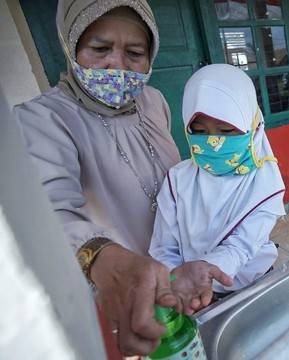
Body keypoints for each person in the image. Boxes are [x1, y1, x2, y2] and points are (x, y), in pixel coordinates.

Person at [13, 1, 211, 356]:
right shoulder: (44, 120)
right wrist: (102, 260)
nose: (117, 65)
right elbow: (50, 213)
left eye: (135, 52)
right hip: (123, 294)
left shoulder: (154, 101)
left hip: (181, 279)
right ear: (71, 46)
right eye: (100, 49)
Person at [149, 64, 285, 299]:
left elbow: (242, 245)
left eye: (226, 130)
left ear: (253, 127)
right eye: (200, 131)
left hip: (253, 283)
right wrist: (177, 279)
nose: (215, 141)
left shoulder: (265, 183)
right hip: (193, 291)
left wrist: (206, 268)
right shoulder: (178, 179)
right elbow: (164, 246)